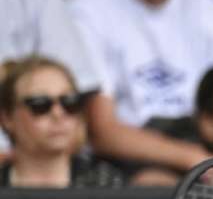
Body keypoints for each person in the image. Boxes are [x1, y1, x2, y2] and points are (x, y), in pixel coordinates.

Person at [68, 0, 213, 183]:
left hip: (206, 145)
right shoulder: (86, 9)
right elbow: (103, 132)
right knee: (153, 181)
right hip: (130, 159)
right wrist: (194, 159)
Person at [0, 0, 105, 156]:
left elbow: (79, 96)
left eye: (39, 103)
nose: (58, 114)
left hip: (31, 162)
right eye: (39, 104)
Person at [0, 57, 124, 188]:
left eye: (69, 102)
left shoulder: (106, 184)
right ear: (7, 118)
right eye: (40, 104)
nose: (58, 114)